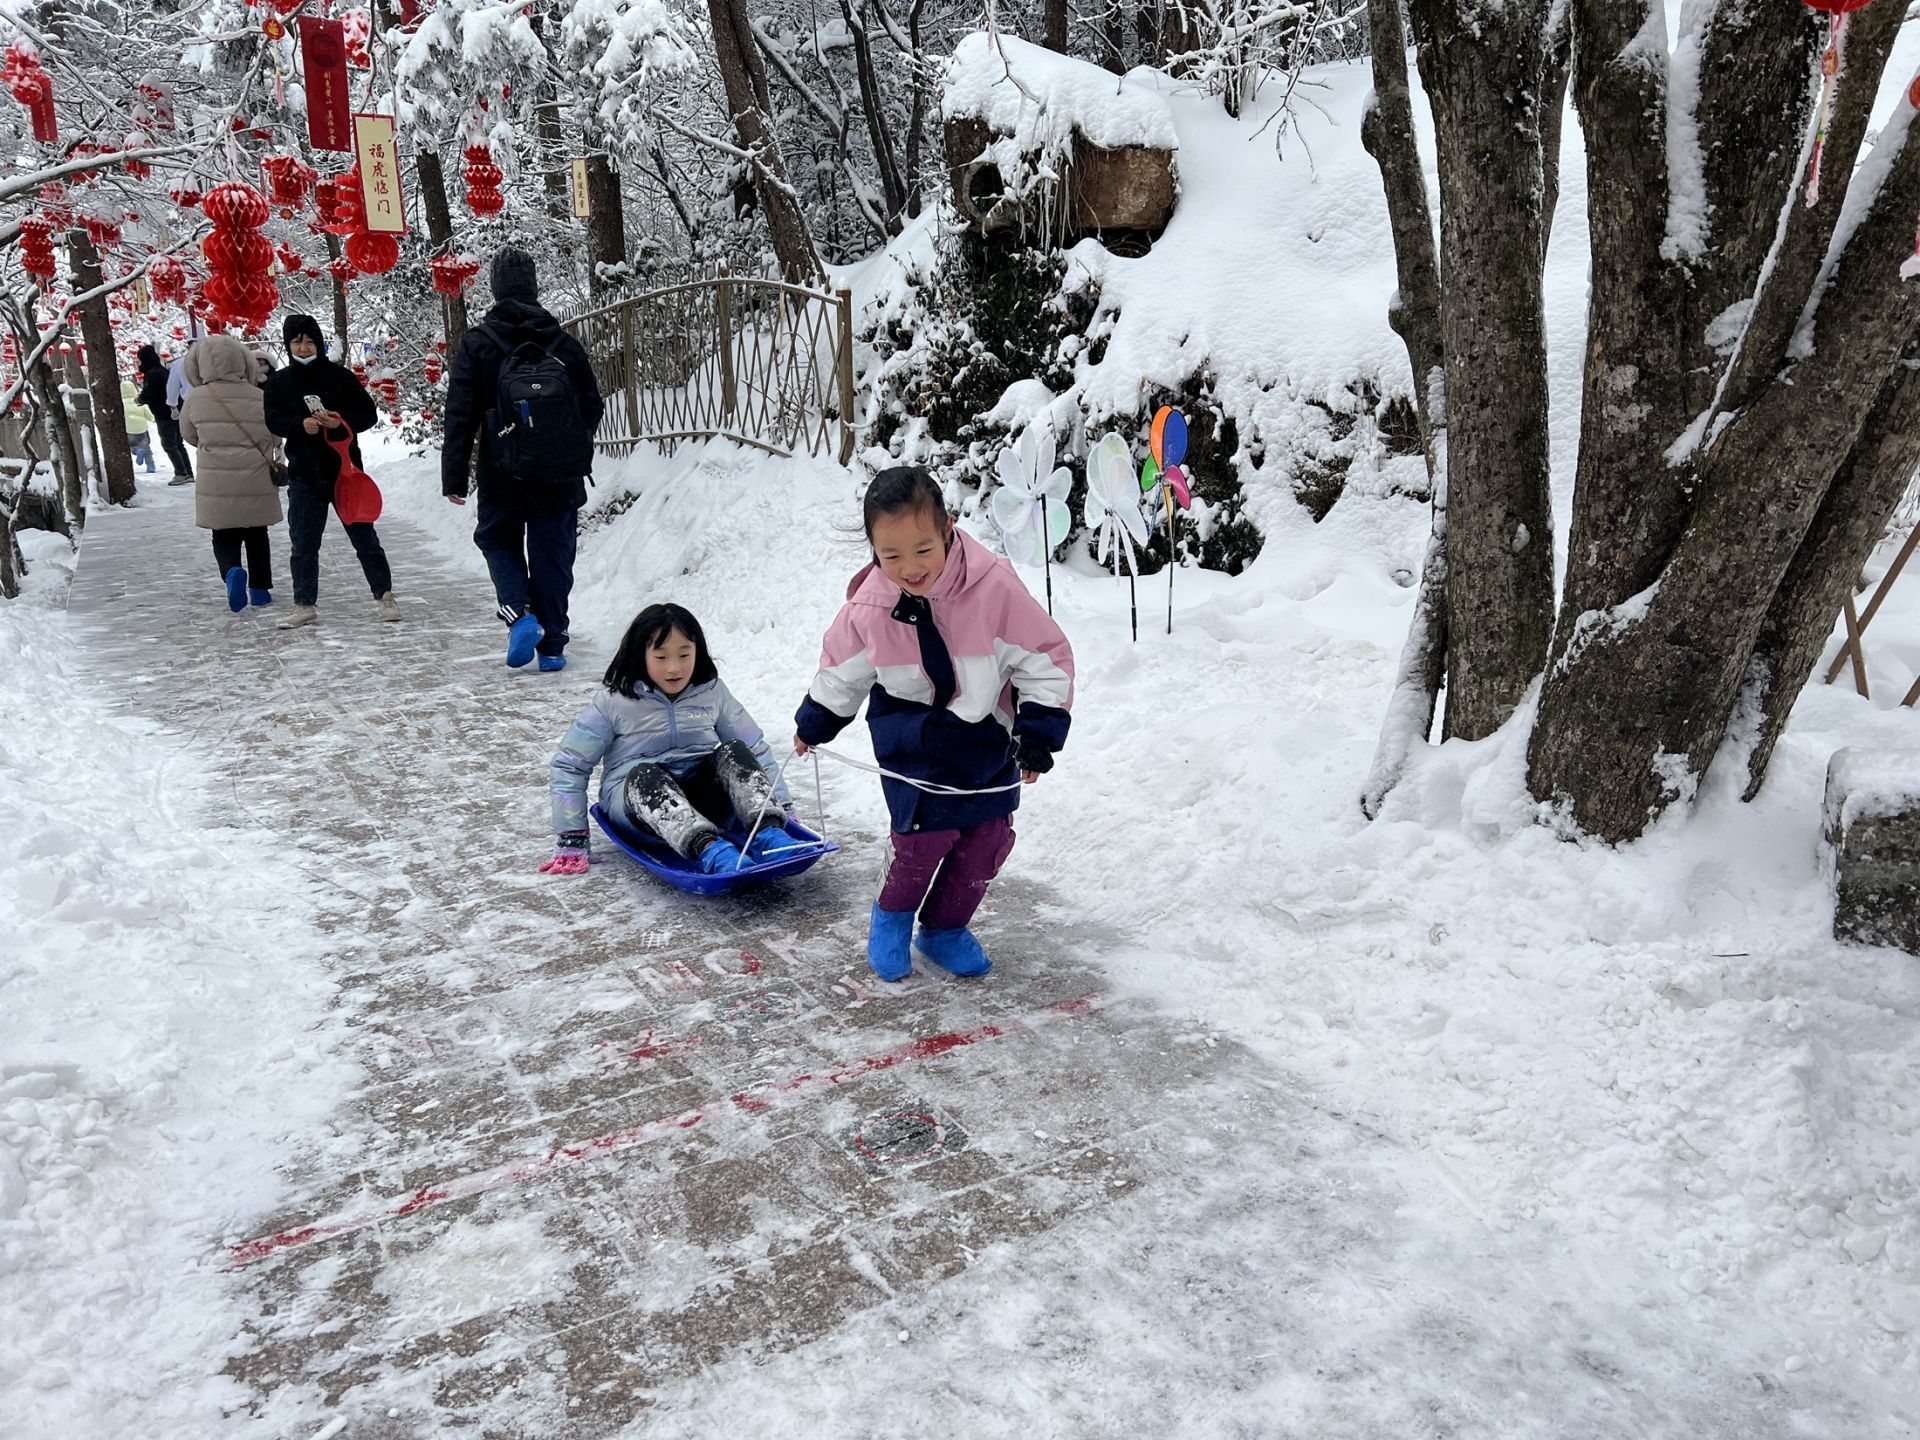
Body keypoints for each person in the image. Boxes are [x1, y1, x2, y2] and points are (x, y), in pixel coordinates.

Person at [793, 467, 1075, 981]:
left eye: (923, 549)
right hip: (912, 735)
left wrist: (1038, 734)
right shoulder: (872, 604)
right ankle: (892, 919)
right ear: (873, 549)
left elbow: (1044, 658)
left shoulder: (994, 589)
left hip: (983, 737)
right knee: (921, 841)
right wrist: (815, 722)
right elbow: (842, 669)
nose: (909, 568)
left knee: (986, 840)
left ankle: (945, 928)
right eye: (891, 555)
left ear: (948, 527)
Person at [545, 603, 805, 877]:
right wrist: (572, 836)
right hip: (639, 806)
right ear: (640, 655)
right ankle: (711, 850)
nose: (674, 668)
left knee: (734, 750)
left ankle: (768, 834)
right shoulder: (615, 701)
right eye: (661, 657)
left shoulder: (711, 692)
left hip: (702, 802)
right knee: (646, 775)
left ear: (697, 652)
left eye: (684, 655)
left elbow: (755, 749)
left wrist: (783, 806)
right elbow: (569, 764)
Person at [441, 247, 604, 673]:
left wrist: (455, 476)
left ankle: (520, 612)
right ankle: (553, 645)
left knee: (497, 539)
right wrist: (562, 441)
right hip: (559, 474)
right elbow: (592, 406)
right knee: (552, 552)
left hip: (502, 470)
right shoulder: (562, 343)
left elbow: (460, 414)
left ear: (496, 290)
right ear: (533, 289)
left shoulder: (478, 344)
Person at [262, 314, 401, 630]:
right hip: (304, 474)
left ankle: (385, 595)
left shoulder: (341, 377)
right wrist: (301, 425)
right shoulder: (280, 382)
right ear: (288, 345)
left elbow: (367, 414)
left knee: (365, 538)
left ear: (319, 343)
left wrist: (340, 422)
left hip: (345, 472)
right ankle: (304, 604)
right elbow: (272, 419)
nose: (303, 346)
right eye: (297, 341)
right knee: (304, 543)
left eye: (309, 341)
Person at [177, 335, 283, 612]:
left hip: (216, 479)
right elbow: (274, 435)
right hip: (256, 476)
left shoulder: (196, 398)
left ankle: (232, 571)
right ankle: (260, 590)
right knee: (258, 535)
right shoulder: (259, 395)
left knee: (223, 535)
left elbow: (188, 435)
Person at [136, 343, 193, 485]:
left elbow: (151, 393)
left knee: (169, 444)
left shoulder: (153, 374)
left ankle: (181, 473)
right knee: (178, 443)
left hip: (164, 413)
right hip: (175, 410)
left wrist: (141, 399)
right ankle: (187, 472)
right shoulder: (162, 371)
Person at [119, 377, 155, 474]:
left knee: (131, 445)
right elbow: (149, 415)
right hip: (142, 429)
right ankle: (151, 465)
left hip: (129, 430)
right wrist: (154, 419)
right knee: (146, 447)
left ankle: (137, 450)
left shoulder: (120, 403)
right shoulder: (139, 401)